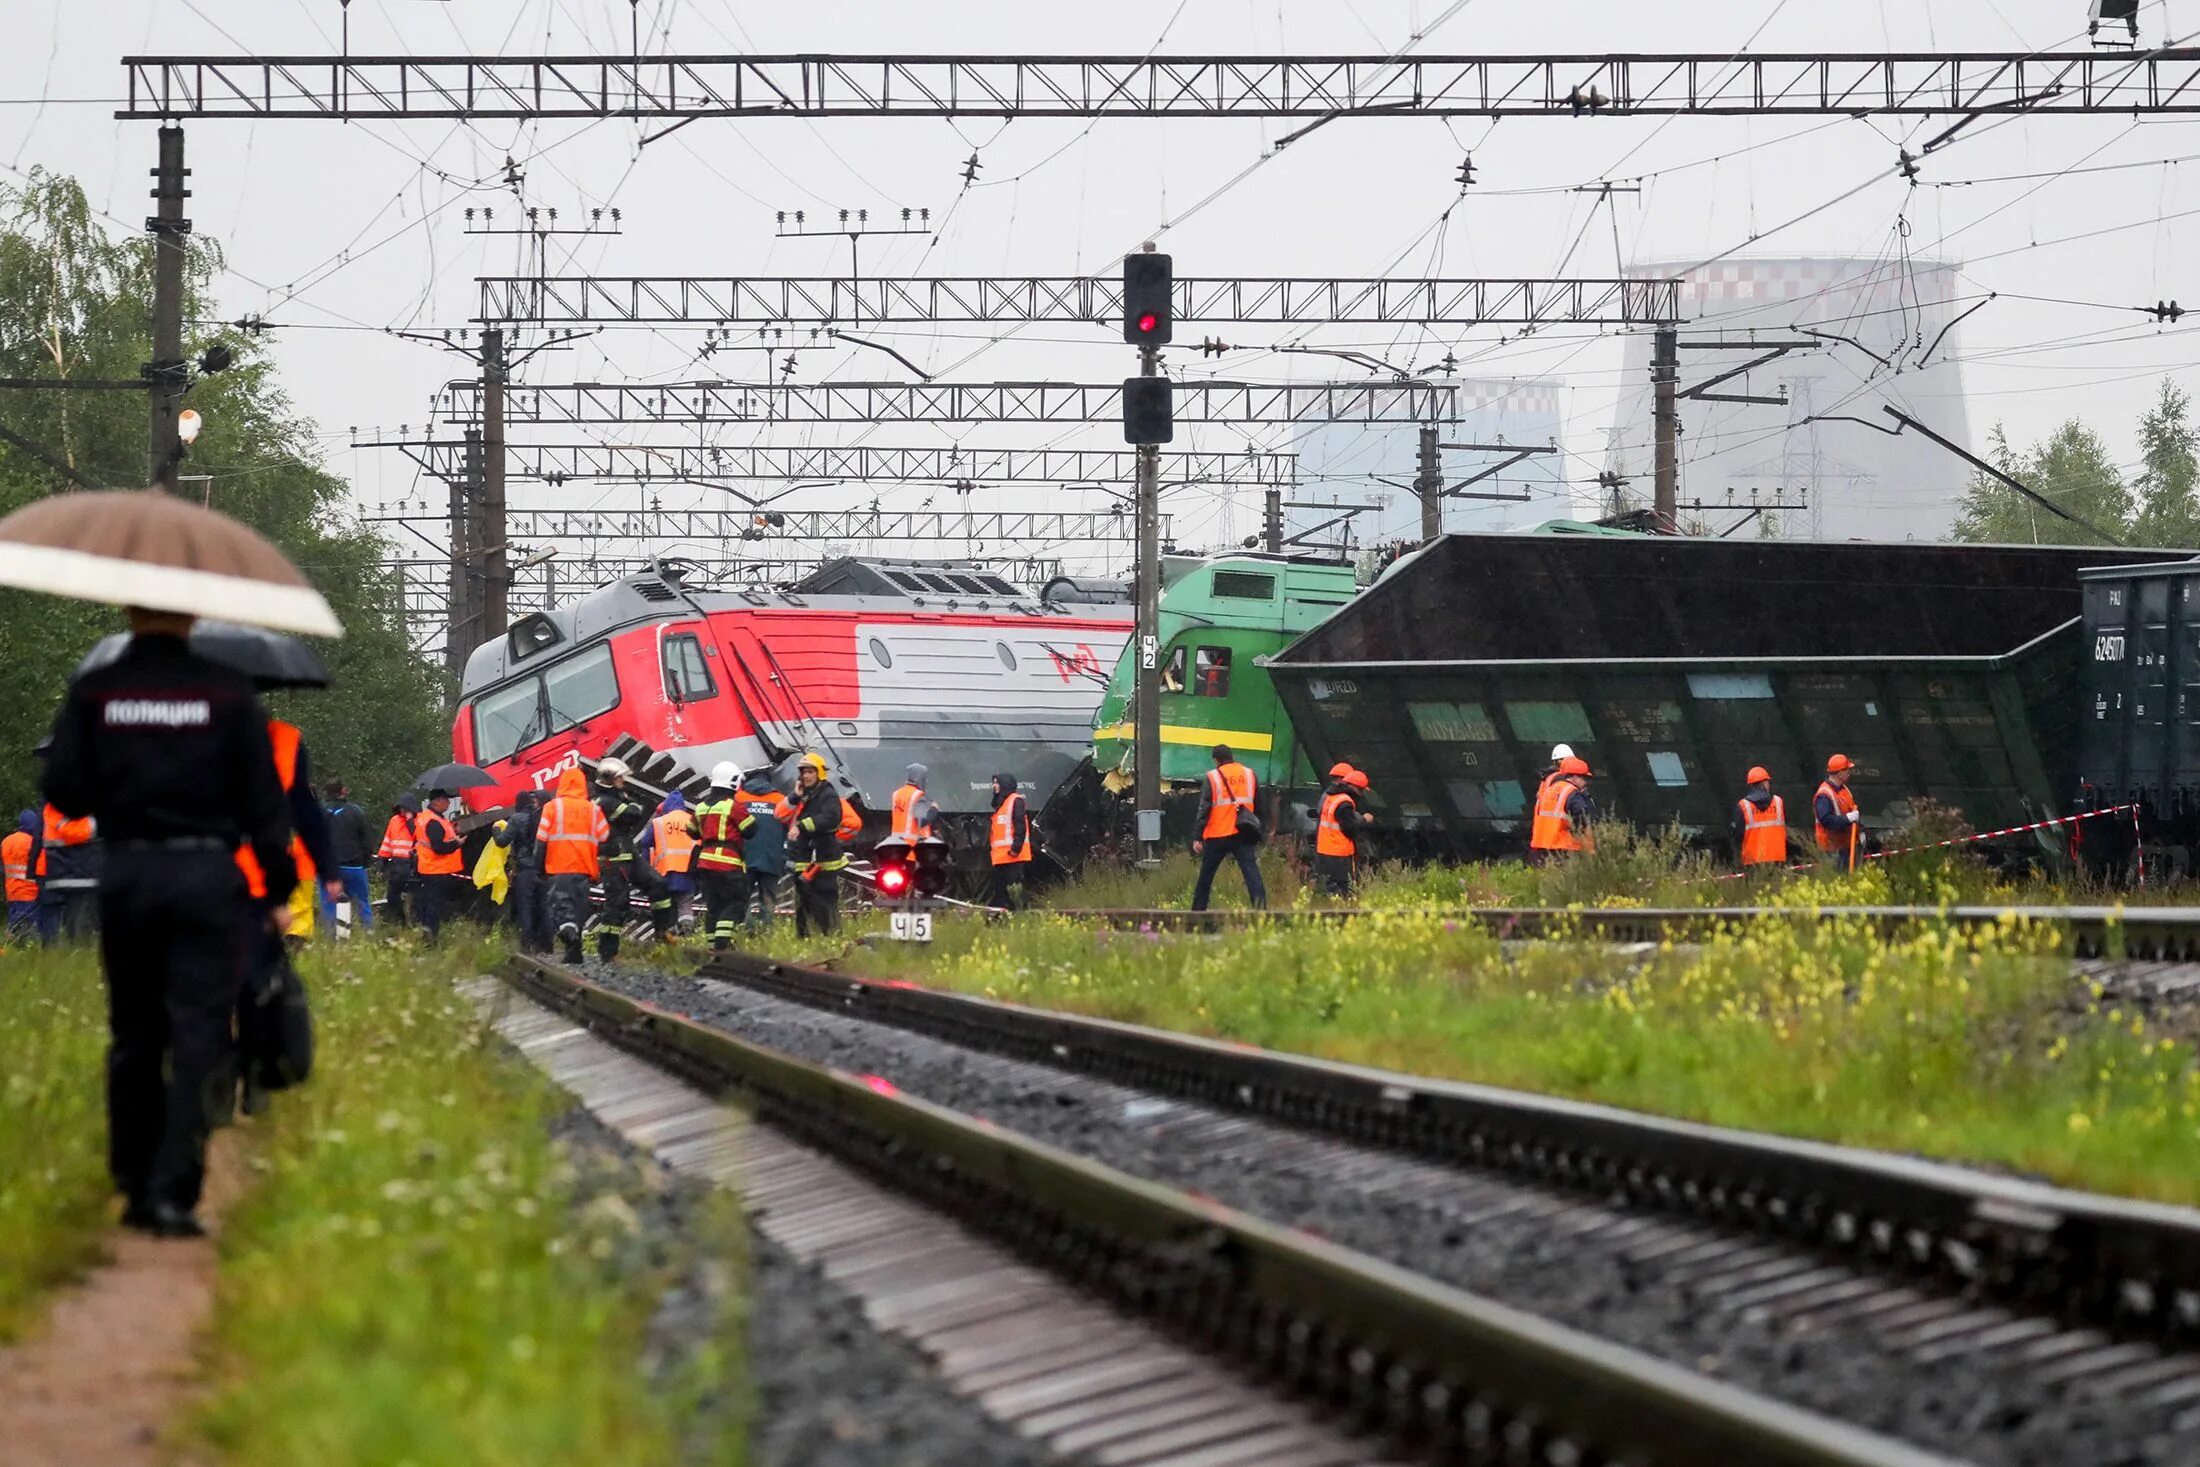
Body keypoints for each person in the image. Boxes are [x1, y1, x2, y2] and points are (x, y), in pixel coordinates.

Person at [42, 606, 296, 1238]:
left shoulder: (98, 687)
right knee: (200, 1032)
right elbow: (264, 805)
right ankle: (173, 1192)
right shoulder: (229, 693)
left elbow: (64, 790)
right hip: (207, 879)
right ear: (189, 615)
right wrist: (277, 890)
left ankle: (131, 1182)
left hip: (128, 873)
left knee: (133, 1033)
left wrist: (125, 777)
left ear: (131, 612)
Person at [538, 766, 607, 964]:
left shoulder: (552, 807)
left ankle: (570, 938)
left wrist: (538, 866)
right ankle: (574, 951)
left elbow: (540, 841)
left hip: (559, 868)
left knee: (560, 909)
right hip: (585, 868)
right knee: (578, 908)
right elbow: (604, 837)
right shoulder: (593, 809)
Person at [1190, 743, 1266, 912]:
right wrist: (1260, 831)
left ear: (1216, 760)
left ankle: (1197, 912)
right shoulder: (1249, 774)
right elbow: (1259, 806)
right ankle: (1261, 911)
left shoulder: (1213, 777)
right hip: (1243, 832)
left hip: (1218, 834)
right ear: (1232, 757)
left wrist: (1197, 836)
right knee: (1251, 873)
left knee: (1206, 876)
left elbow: (1204, 809)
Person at [693, 763, 756, 951]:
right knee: (736, 902)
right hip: (728, 864)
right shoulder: (733, 807)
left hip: (705, 863)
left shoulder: (701, 807)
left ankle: (712, 946)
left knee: (714, 905)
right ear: (734, 781)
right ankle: (723, 943)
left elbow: (691, 832)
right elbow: (751, 830)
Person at [591, 757, 648, 961]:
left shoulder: (607, 799)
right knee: (616, 904)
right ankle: (607, 952)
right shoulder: (606, 802)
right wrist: (631, 802)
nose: (623, 781)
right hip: (614, 859)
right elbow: (633, 814)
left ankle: (608, 951)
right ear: (610, 780)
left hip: (619, 857)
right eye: (620, 778)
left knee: (618, 903)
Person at [789, 753, 847, 937]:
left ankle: (830, 935)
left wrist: (802, 826)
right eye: (803, 773)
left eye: (810, 772)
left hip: (823, 859)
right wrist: (794, 796)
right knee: (803, 900)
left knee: (825, 899)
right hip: (805, 857)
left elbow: (831, 817)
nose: (806, 776)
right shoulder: (804, 795)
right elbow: (780, 814)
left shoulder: (828, 794)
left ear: (819, 773)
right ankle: (804, 938)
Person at [494, 790, 550, 953]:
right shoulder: (544, 818)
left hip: (525, 870)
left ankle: (526, 945)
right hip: (544, 870)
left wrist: (496, 829)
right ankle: (546, 945)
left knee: (525, 907)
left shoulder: (517, 819)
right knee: (543, 907)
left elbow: (502, 842)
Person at [36, 800, 99, 942]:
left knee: (70, 917)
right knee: (80, 921)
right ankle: (77, 952)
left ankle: (68, 951)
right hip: (76, 871)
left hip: (63, 871)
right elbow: (75, 832)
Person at [638, 790, 699, 938]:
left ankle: (669, 934)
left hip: (665, 872)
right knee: (685, 903)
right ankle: (687, 930)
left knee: (667, 904)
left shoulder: (659, 822)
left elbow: (645, 842)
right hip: (688, 871)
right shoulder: (692, 819)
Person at [318, 779, 375, 934]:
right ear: (343, 791)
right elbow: (366, 840)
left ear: (326, 793)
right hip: (354, 866)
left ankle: (332, 940)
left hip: (329, 869)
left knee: (329, 906)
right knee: (362, 904)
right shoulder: (356, 812)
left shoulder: (320, 812)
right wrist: (365, 862)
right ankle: (368, 936)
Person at [738, 768, 790, 930]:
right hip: (772, 858)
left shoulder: (738, 798)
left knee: (741, 897)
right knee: (768, 899)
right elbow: (791, 830)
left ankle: (748, 930)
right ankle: (766, 932)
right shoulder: (781, 800)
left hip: (745, 857)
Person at [412, 790, 467, 941]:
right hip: (436, 869)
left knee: (429, 905)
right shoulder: (433, 821)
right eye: (446, 800)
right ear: (436, 801)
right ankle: (430, 940)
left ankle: (427, 936)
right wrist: (457, 843)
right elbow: (439, 847)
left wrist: (453, 833)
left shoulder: (428, 818)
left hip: (429, 868)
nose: (449, 803)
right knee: (434, 907)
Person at [1313, 763, 1371, 897]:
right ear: (1354, 787)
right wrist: (1364, 820)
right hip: (1339, 853)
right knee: (1341, 890)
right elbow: (1350, 828)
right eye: (1360, 790)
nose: (1361, 794)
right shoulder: (1345, 802)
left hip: (1324, 850)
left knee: (1325, 888)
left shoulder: (1331, 797)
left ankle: (1321, 911)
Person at [1529, 756, 1597, 861]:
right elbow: (1583, 821)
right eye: (1584, 778)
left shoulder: (1550, 789)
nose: (1585, 782)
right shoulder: (1572, 793)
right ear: (1574, 777)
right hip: (1563, 848)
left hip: (1542, 847)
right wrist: (1591, 850)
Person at [987, 772, 1034, 911]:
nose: (994, 786)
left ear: (1004, 784)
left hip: (1014, 856)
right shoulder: (1001, 804)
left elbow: (1020, 826)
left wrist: (1016, 848)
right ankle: (1003, 915)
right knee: (1002, 891)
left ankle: (1021, 914)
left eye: (996, 782)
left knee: (1015, 890)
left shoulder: (1015, 801)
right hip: (1002, 858)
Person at [1815, 754, 1864, 873]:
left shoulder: (1844, 790)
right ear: (1839, 772)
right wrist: (1847, 819)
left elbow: (1853, 812)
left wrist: (1860, 832)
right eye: (1847, 769)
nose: (1849, 772)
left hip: (1846, 845)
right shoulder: (1824, 794)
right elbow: (1826, 820)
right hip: (1832, 849)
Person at [1734, 766, 1788, 873]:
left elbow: (1738, 834)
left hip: (1753, 861)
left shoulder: (1743, 805)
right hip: (1777, 857)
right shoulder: (1778, 802)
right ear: (1764, 783)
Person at [376, 794, 418, 929]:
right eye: (401, 809)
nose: (402, 812)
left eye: (405, 809)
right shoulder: (394, 821)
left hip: (412, 865)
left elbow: (418, 837)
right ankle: (400, 922)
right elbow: (387, 842)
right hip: (396, 865)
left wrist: (410, 821)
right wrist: (382, 862)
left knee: (414, 898)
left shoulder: (418, 821)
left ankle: (414, 923)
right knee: (392, 897)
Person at [3, 809, 38, 943]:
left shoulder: (6, 842)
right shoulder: (32, 842)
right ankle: (19, 945)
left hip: (12, 891)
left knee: (15, 919)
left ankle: (12, 944)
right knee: (27, 926)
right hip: (29, 891)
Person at [890, 763, 936, 841]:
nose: (926, 781)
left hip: (897, 846)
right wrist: (934, 809)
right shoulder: (917, 795)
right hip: (913, 846)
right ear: (920, 778)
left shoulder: (897, 794)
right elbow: (922, 821)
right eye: (924, 778)